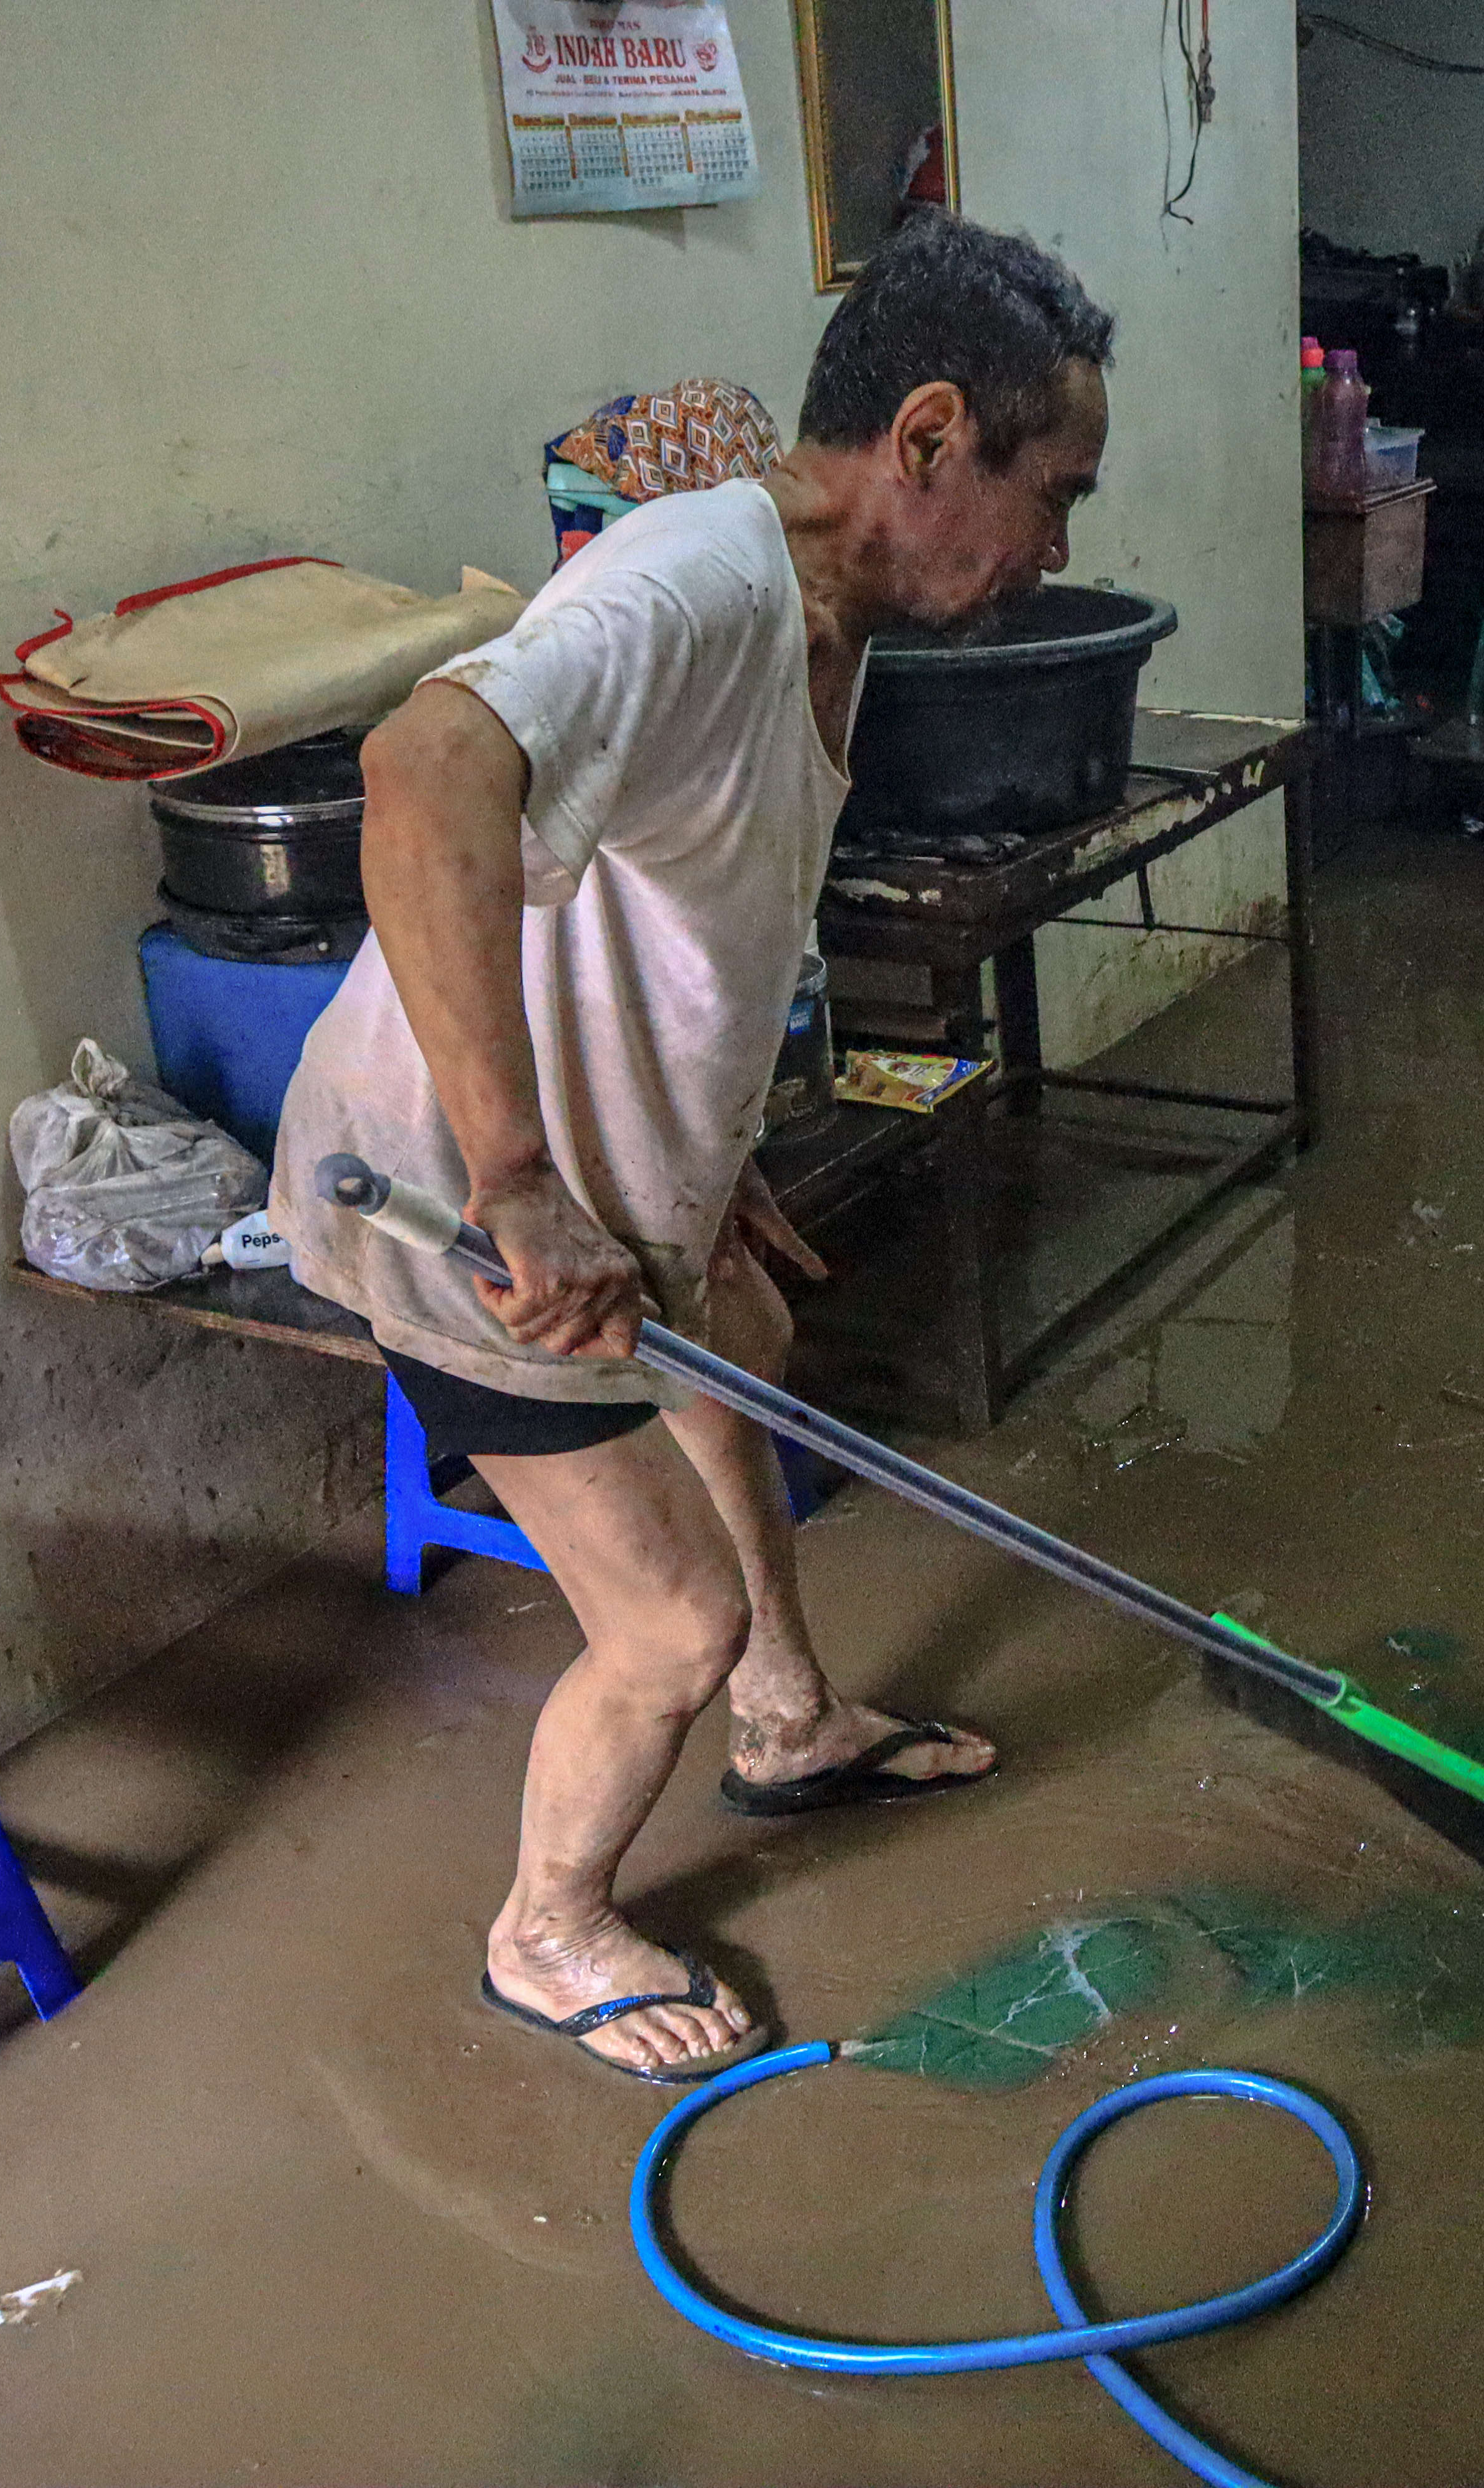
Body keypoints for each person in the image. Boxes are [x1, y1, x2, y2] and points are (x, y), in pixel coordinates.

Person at [270, 215, 1113, 2082]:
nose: (1058, 548)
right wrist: (517, 1183)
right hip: (440, 1199)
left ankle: (790, 1726)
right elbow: (421, 774)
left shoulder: (824, 610)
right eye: (1050, 494)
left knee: (749, 1349)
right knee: (668, 1623)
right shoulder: (694, 586)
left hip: (600, 1166)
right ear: (927, 435)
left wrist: (698, 1169)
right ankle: (548, 1926)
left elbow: (666, 921)